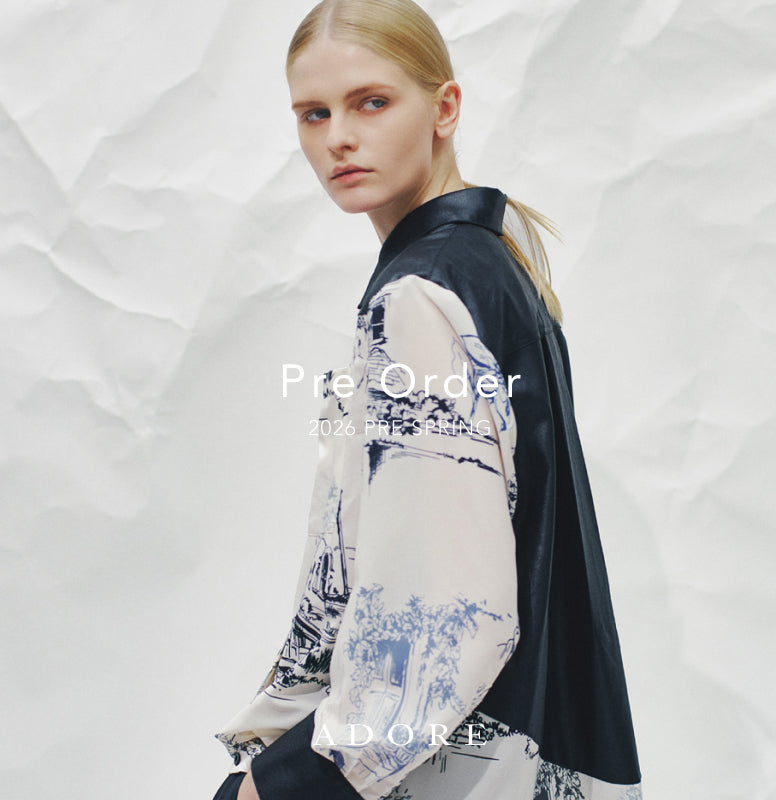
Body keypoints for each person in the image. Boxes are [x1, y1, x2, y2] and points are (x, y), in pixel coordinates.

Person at [212, 1, 642, 798]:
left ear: (444, 108)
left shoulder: (422, 298)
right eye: (314, 113)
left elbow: (445, 612)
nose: (339, 137)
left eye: (371, 102)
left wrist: (287, 782)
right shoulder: (492, 268)